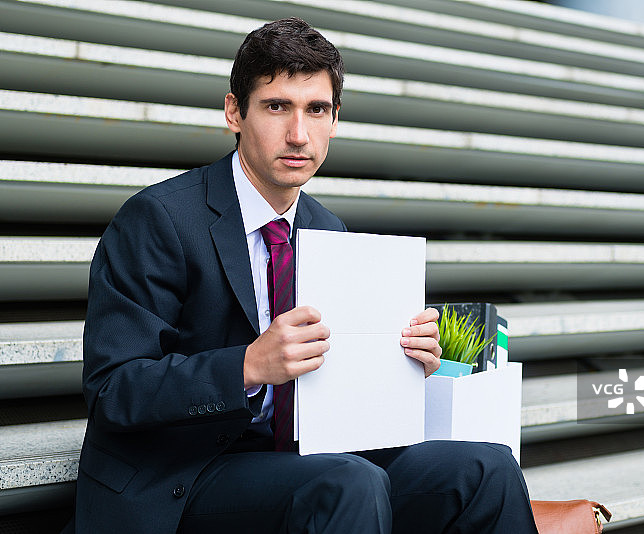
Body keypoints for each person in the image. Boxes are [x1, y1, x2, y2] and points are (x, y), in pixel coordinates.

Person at [67, 17, 538, 534]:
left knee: (486, 468)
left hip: (304, 461)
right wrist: (247, 366)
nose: (298, 135)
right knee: (346, 483)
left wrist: (401, 367)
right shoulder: (159, 219)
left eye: (316, 110)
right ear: (234, 112)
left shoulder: (326, 228)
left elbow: (339, 393)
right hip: (182, 477)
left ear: (335, 119)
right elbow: (113, 391)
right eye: (277, 107)